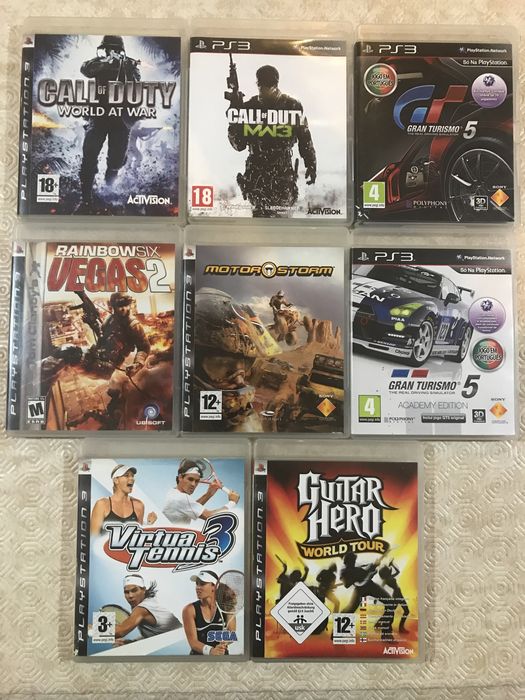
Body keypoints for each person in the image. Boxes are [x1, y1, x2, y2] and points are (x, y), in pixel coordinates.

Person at [228, 64, 317, 217]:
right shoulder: (249, 108)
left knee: (283, 218)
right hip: (258, 176)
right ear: (258, 84)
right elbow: (239, 145)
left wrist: (311, 164)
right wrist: (234, 117)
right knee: (261, 221)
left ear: (276, 84)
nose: (265, 89)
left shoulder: (292, 106)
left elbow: (305, 138)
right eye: (263, 84)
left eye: (269, 85)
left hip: (282, 173)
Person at [76, 35, 141, 212]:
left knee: (116, 160)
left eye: (115, 49)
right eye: (108, 49)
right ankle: (86, 199)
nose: (111, 52)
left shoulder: (129, 64)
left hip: (120, 119)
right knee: (89, 155)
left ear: (121, 50)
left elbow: (136, 84)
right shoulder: (98, 62)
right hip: (98, 116)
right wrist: (106, 63)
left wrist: (126, 67)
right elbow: (85, 69)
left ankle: (108, 190)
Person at [162, 459, 240, 525]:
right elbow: (210, 517)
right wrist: (232, 502)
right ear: (180, 477)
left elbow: (189, 506)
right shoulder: (181, 498)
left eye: (197, 481)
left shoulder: (173, 492)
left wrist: (209, 494)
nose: (193, 484)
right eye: (190, 479)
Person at [340, 551, 395, 642]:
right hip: (359, 590)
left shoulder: (358, 568)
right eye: (352, 561)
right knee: (349, 610)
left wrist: (374, 566)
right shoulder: (344, 571)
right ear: (347, 562)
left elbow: (368, 570)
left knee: (390, 603)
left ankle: (386, 634)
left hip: (370, 585)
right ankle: (338, 632)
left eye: (354, 560)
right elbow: (346, 584)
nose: (354, 562)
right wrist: (359, 575)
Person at [90, 464, 157, 535]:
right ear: (116, 480)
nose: (132, 478)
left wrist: (149, 524)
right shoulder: (102, 504)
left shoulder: (139, 505)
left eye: (132, 476)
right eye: (126, 475)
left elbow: (137, 535)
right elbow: (93, 537)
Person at [114, 574, 181, 643]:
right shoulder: (149, 601)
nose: (130, 595)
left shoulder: (141, 609)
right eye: (126, 592)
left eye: (134, 590)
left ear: (143, 590)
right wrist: (132, 642)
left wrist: (106, 621)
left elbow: (119, 632)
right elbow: (159, 632)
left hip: (179, 642)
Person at [182, 570, 235, 655]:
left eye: (202, 584)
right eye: (197, 584)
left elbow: (231, 632)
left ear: (214, 586)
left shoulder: (227, 606)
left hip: (222, 657)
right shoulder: (189, 610)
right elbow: (193, 643)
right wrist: (211, 651)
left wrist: (223, 644)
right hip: (198, 659)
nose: (198, 587)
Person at [377, 559, 410, 633]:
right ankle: (400, 628)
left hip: (398, 593)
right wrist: (377, 598)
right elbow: (380, 588)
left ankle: (401, 628)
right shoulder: (385, 580)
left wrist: (392, 564)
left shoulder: (390, 576)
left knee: (405, 611)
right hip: (396, 595)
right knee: (392, 611)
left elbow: (398, 571)